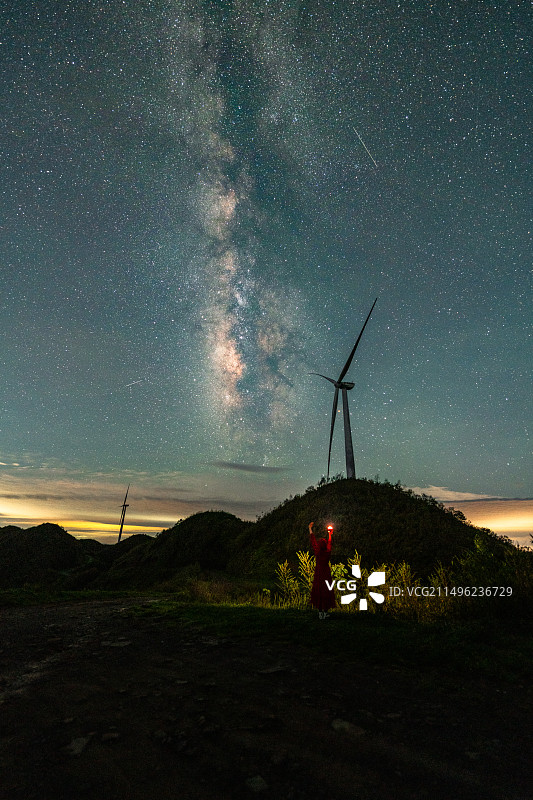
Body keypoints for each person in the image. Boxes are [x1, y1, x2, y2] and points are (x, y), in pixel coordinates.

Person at [309, 522, 336, 619]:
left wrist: (310, 529)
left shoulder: (317, 552)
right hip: (326, 574)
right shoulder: (327, 552)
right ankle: (325, 612)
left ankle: (320, 613)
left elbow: (313, 541)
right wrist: (330, 534)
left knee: (319, 591)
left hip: (318, 573)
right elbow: (329, 543)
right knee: (326, 591)